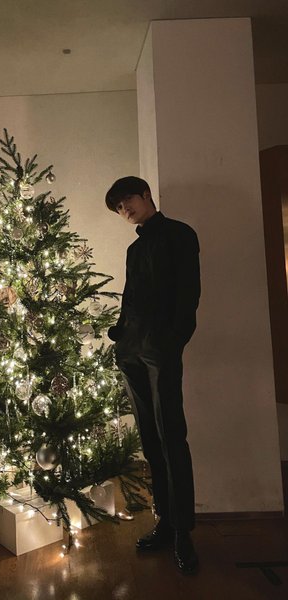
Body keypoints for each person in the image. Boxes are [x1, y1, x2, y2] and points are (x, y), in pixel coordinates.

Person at [105, 176, 201, 575]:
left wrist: (173, 341)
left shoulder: (180, 234)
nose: (124, 209)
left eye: (127, 199)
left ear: (146, 195)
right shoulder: (135, 248)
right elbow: (131, 297)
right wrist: (119, 333)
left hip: (160, 351)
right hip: (131, 352)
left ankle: (183, 532)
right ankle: (164, 521)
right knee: (149, 439)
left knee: (171, 436)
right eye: (118, 207)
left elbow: (189, 293)